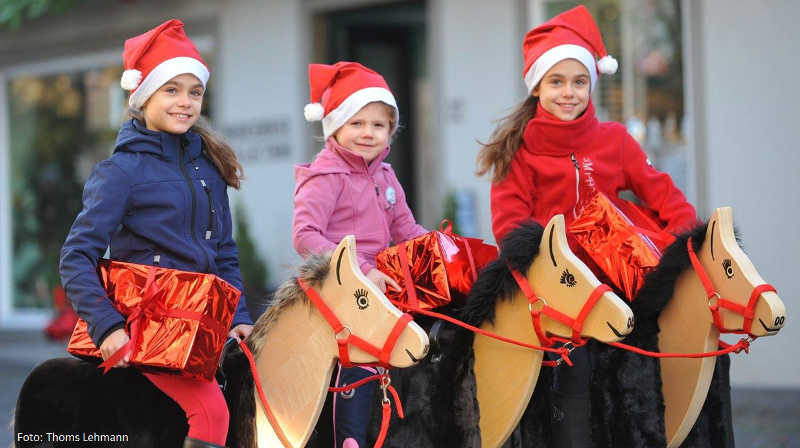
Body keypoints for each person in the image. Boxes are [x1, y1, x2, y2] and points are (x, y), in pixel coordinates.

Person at [476, 6, 697, 448]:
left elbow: (663, 193)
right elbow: (510, 228)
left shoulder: (614, 139)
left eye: (579, 82)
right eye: (556, 82)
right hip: (556, 285)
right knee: (574, 359)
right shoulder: (519, 151)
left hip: (618, 275)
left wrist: (684, 243)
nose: (569, 93)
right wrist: (554, 268)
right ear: (537, 87)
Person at [59, 19, 253, 448]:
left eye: (194, 92)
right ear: (142, 94)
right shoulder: (120, 172)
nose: (185, 102)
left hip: (206, 327)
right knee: (210, 411)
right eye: (172, 90)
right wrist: (108, 328)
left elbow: (224, 253)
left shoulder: (210, 171)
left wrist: (238, 318)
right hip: (147, 332)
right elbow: (76, 257)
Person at [293, 61, 427, 448]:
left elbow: (407, 232)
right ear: (334, 126)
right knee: (360, 349)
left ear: (391, 131)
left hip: (380, 285)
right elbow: (304, 235)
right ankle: (347, 437)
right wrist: (361, 271)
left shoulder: (386, 176)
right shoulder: (326, 176)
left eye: (378, 125)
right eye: (357, 123)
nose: (368, 133)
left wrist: (439, 251)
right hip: (336, 286)